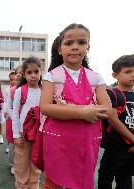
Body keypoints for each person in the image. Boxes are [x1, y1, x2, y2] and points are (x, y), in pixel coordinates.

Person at [40, 24, 111, 189]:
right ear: (60, 49)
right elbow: (45, 107)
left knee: (81, 182)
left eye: (81, 42)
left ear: (88, 47)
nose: (75, 47)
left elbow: (106, 108)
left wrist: (65, 109)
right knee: (53, 184)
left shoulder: (96, 78)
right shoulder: (51, 76)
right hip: (58, 141)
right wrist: (84, 112)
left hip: (86, 141)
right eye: (69, 43)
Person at [98, 54, 134, 189]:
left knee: (125, 179)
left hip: (130, 148)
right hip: (115, 145)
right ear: (115, 75)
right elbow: (112, 119)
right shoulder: (112, 93)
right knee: (105, 177)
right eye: (128, 71)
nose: (133, 75)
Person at [12, 57, 42, 188]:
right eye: (30, 72)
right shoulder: (20, 91)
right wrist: (16, 135)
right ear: (24, 74)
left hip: (39, 134)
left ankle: (34, 185)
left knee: (36, 163)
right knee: (21, 164)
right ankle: (21, 185)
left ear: (41, 72)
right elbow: (15, 113)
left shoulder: (45, 90)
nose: (33, 75)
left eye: (36, 71)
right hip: (23, 135)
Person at [5, 66, 23, 175]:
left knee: (24, 145)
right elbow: (9, 107)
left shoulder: (30, 88)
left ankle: (22, 163)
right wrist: (16, 119)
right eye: (17, 73)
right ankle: (12, 164)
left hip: (26, 123)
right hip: (13, 122)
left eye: (22, 72)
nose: (19, 74)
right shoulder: (12, 90)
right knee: (12, 144)